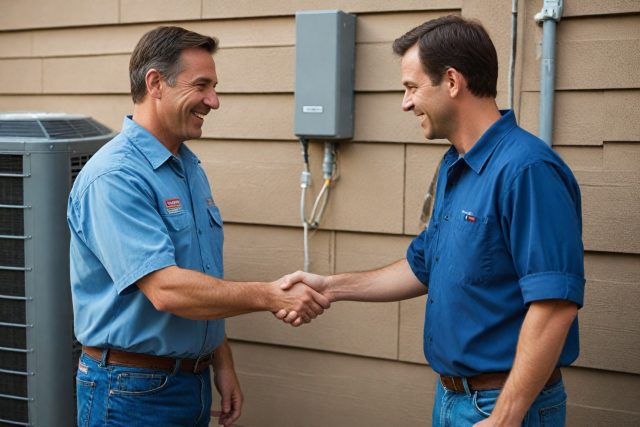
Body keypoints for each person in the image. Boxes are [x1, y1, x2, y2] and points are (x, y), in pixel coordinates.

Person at [278, 15, 584, 427]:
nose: (406, 103)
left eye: (411, 87)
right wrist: (330, 288)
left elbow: (554, 304)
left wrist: (505, 417)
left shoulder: (527, 170)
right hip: (454, 399)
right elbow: (424, 265)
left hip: (504, 407)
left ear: (452, 82)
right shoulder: (455, 165)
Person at [67, 26, 330, 427]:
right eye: (202, 86)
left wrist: (220, 359)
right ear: (156, 83)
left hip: (188, 381)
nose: (214, 101)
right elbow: (167, 289)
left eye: (214, 86)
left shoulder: (186, 168)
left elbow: (201, 275)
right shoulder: (116, 177)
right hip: (129, 391)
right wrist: (271, 296)